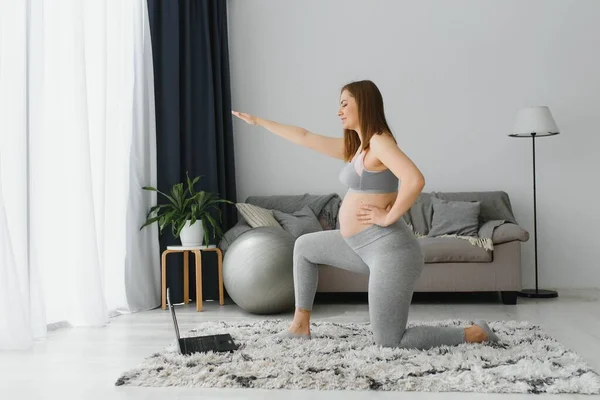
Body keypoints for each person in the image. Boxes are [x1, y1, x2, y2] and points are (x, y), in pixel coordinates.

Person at [231, 79, 499, 350]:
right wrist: (260, 122)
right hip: (359, 247)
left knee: (390, 341)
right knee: (304, 247)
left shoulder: (380, 141)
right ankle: (300, 326)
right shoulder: (359, 147)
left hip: (391, 252)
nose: (339, 111)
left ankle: (475, 333)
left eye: (345, 103)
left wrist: (388, 217)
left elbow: (414, 179)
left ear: (365, 103)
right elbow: (305, 137)